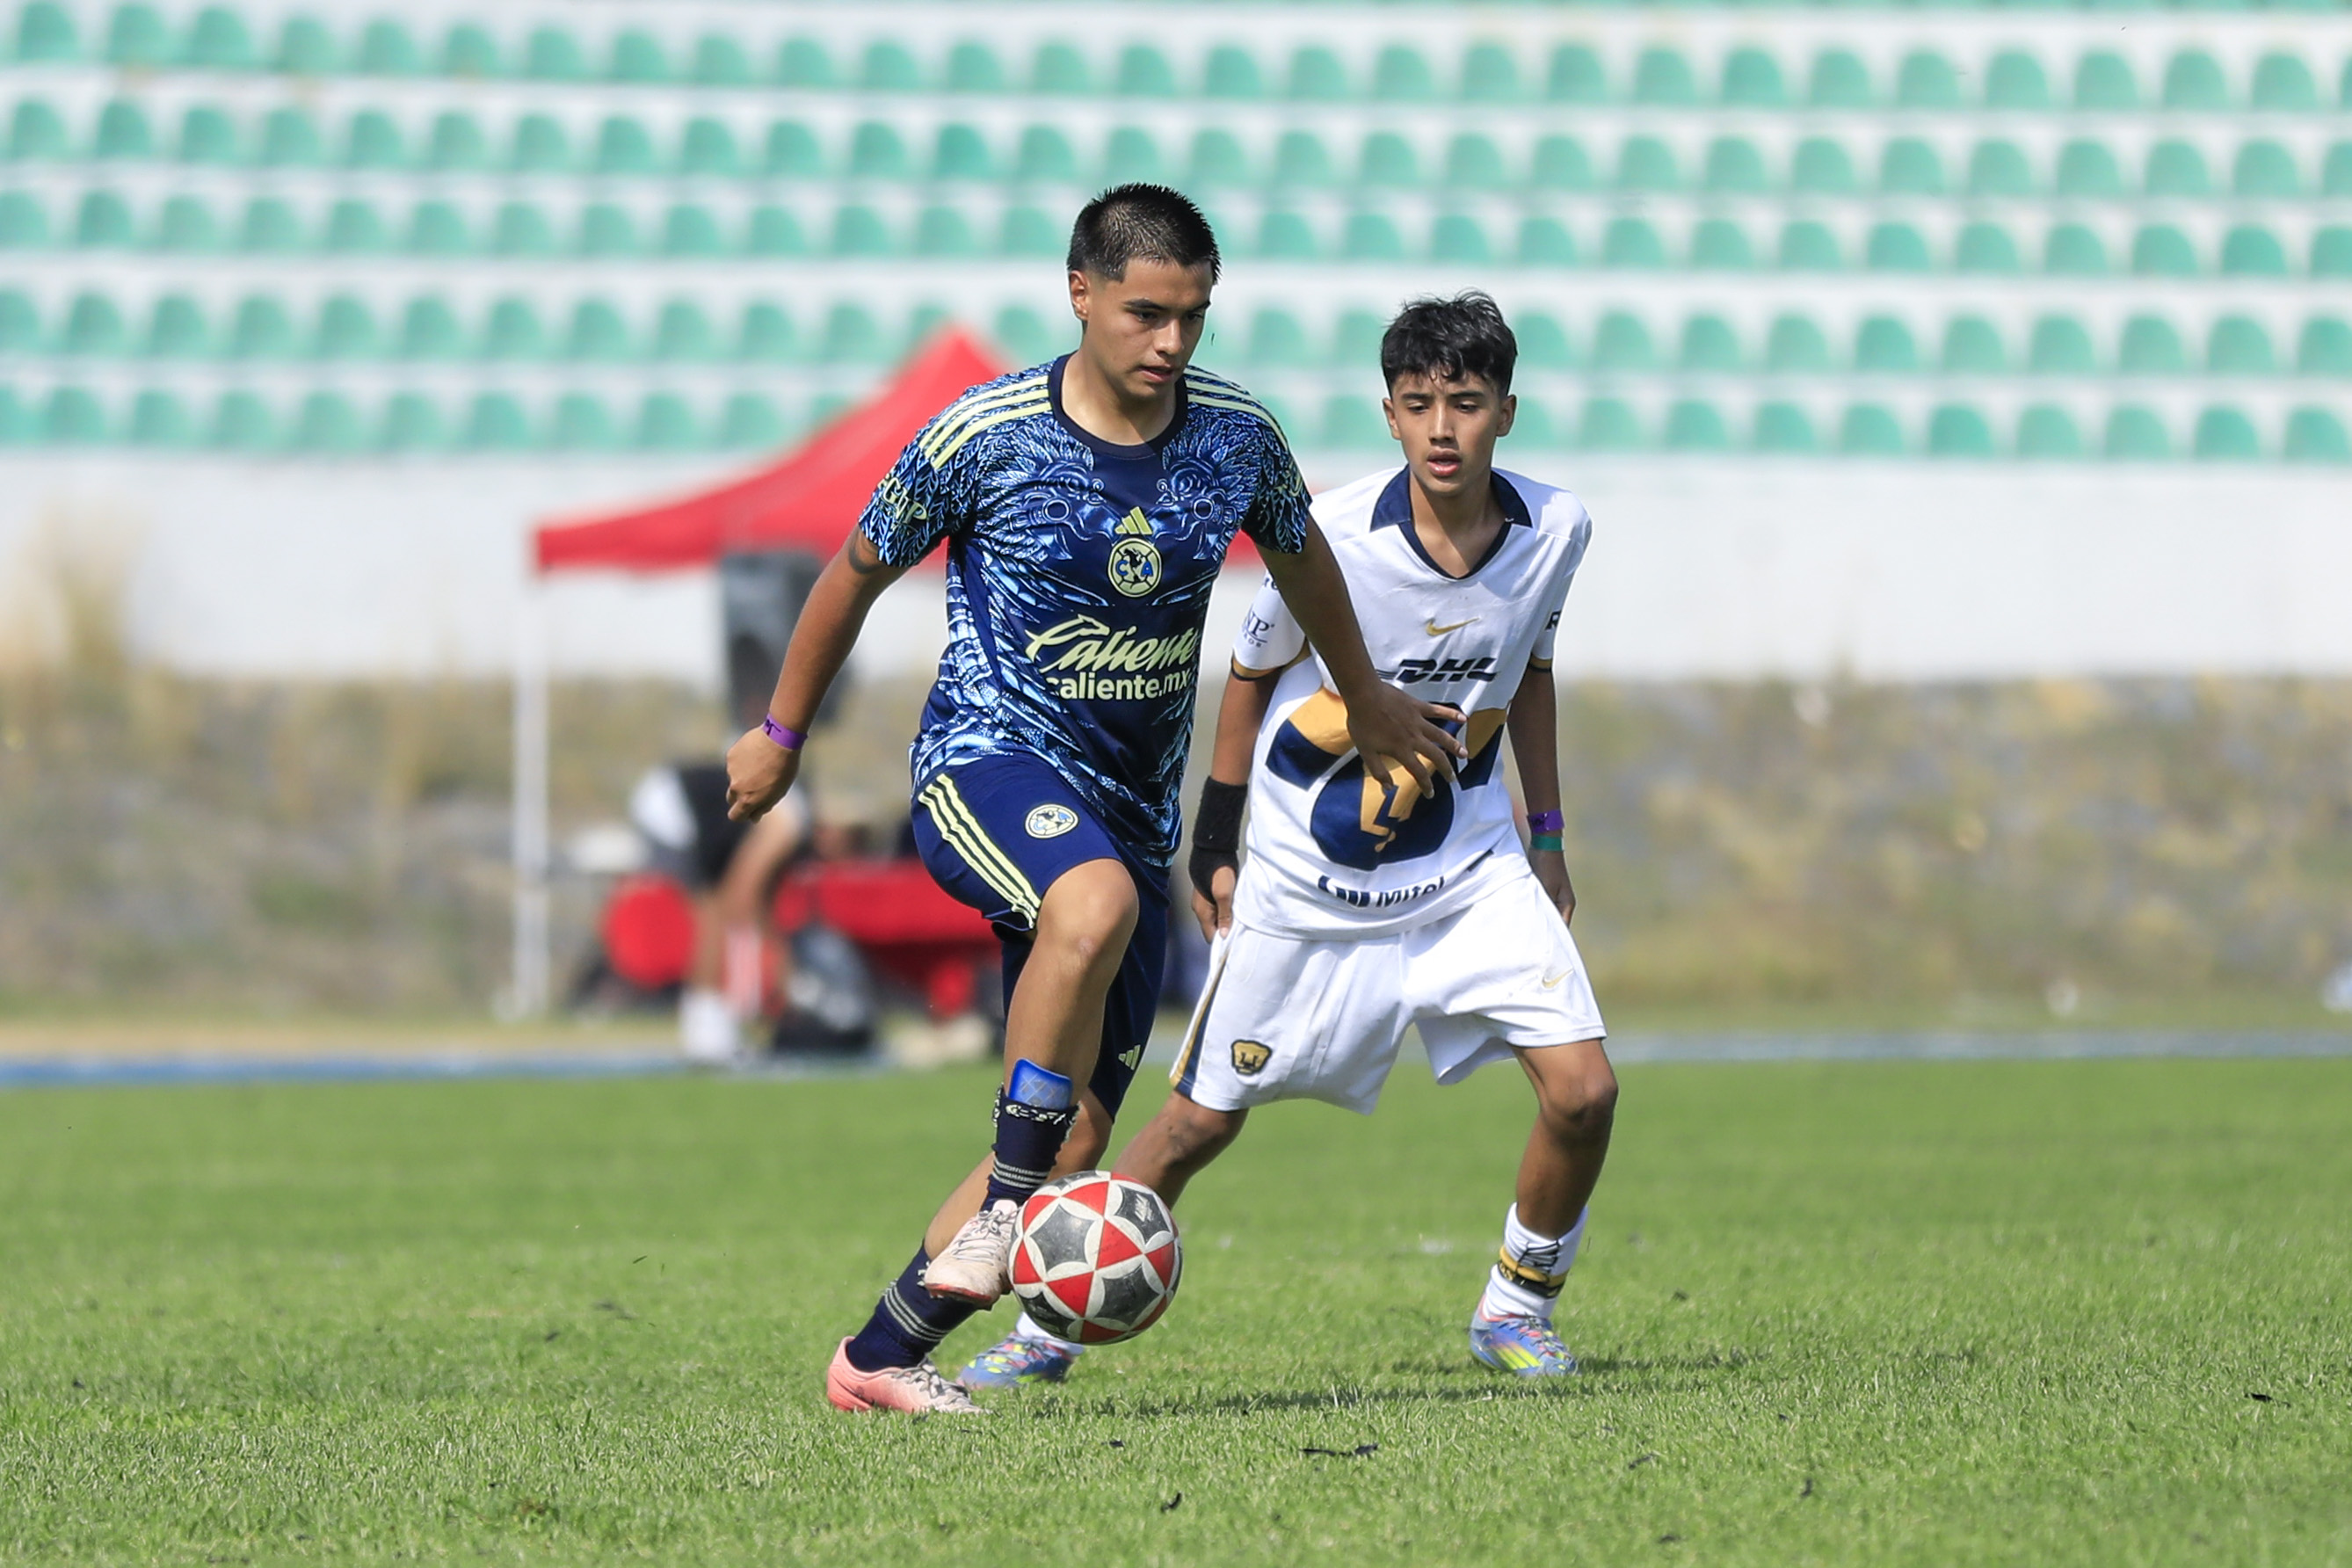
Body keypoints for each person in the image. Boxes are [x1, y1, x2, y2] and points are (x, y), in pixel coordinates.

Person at [721, 185, 1460, 1414]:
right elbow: (852, 574)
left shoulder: (1234, 440)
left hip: (1131, 810)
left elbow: (1301, 558)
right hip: (986, 763)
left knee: (1075, 1145)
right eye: (1147, 313)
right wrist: (781, 731)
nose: (1172, 343)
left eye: (1194, 317)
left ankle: (881, 1357)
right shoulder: (984, 435)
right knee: (1092, 908)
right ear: (1081, 295)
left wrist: (1366, 693)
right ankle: (1005, 1211)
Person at [961, 293, 1618, 1390]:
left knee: (1586, 1091)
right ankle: (1048, 1328)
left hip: (1468, 868)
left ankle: (1517, 1304)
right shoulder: (1336, 540)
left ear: (1508, 408)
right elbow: (1253, 674)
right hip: (1309, 890)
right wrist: (1215, 835)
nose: (1443, 428)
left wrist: (1547, 834)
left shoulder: (1559, 529)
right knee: (1190, 1129)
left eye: (1466, 403)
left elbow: (1532, 671)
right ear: (1390, 414)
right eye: (1419, 405)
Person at [626, 761, 810, 1063]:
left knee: (718, 914)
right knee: (711, 915)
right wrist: (779, 962)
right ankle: (711, 1029)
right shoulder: (791, 823)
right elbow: (743, 896)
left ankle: (715, 1024)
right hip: (673, 808)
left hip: (678, 804)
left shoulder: (790, 818)